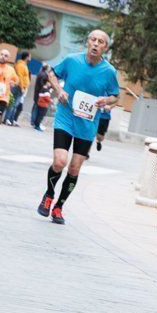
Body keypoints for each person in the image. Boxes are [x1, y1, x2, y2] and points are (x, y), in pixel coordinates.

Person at [36, 30, 119, 224]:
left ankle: (59, 207)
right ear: (87, 42)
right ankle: (48, 195)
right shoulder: (72, 60)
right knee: (59, 162)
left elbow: (116, 96)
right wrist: (60, 90)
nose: (96, 44)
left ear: (105, 47)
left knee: (74, 169)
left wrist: (106, 100)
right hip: (66, 118)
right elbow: (52, 74)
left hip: (88, 125)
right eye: (93, 40)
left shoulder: (109, 72)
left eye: (101, 42)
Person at [4, 51, 30, 126]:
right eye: (29, 56)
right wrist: (22, 87)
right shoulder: (21, 65)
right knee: (13, 104)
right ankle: (7, 119)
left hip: (21, 87)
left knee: (15, 104)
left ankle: (11, 120)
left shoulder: (24, 65)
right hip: (18, 87)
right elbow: (20, 77)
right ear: (27, 57)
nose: (30, 58)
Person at [31, 63, 51, 130]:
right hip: (40, 94)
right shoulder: (44, 75)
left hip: (38, 92)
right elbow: (42, 84)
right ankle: (35, 122)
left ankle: (34, 122)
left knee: (36, 107)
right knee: (39, 110)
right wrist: (44, 88)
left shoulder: (40, 73)